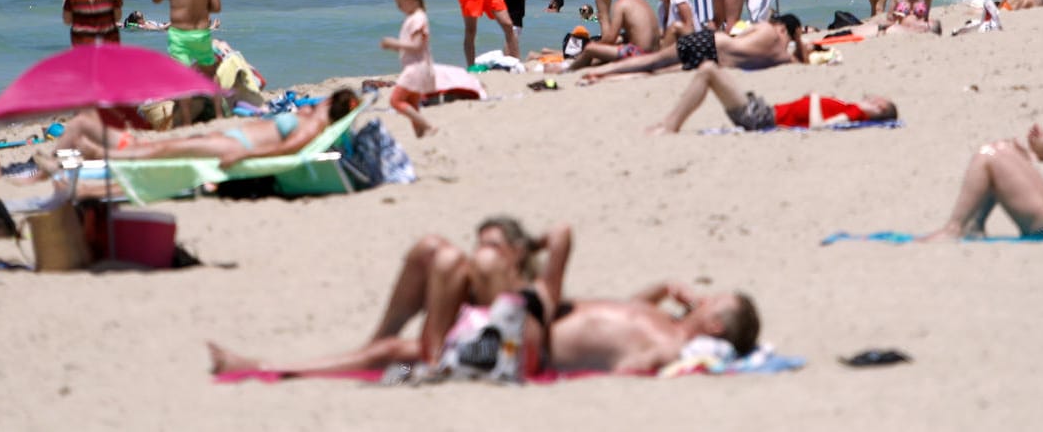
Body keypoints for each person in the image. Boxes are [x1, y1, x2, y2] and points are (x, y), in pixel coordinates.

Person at [207, 217, 572, 378]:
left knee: (448, 259)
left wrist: (527, 246)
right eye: (479, 243)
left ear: (518, 251)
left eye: (491, 244)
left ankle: (418, 366)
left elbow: (562, 233)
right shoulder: (474, 298)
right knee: (387, 358)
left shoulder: (539, 291)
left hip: (504, 357)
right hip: (455, 357)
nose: (481, 252)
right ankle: (260, 367)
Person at [548, 283, 761, 374]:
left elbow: (629, 365)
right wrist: (662, 290)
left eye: (712, 301)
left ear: (715, 326)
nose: (703, 298)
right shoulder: (669, 320)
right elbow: (629, 308)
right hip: (549, 311)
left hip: (544, 340)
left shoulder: (672, 345)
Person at [108, 89, 358, 164]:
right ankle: (119, 153)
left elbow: (290, 148)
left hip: (239, 144)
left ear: (332, 101)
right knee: (171, 146)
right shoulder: (311, 114)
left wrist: (244, 153)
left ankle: (117, 157)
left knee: (167, 149)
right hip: (234, 136)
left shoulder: (315, 125)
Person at [646, 63, 896, 134]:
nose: (873, 98)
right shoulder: (854, 109)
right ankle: (669, 123)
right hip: (764, 111)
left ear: (880, 106)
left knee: (708, 71)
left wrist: (817, 99)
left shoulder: (857, 113)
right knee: (711, 70)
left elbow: (821, 127)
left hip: (763, 118)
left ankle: (670, 125)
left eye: (878, 100)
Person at [578, 15, 812, 83]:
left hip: (711, 42)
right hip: (714, 62)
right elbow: (802, 63)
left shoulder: (764, 27)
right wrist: (799, 40)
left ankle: (603, 72)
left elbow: (736, 35)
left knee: (653, 61)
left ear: (780, 25)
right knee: (658, 73)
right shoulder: (782, 57)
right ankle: (605, 79)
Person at [154, 0, 235, 104]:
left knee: (182, 77)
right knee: (211, 74)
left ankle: (185, 120)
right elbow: (216, 7)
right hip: (201, 33)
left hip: (179, 34)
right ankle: (219, 114)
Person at [567, 0, 661, 69]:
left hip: (640, 55)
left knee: (590, 48)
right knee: (620, 40)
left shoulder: (621, 4)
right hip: (655, 53)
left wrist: (596, 45)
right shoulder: (642, 1)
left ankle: (568, 69)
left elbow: (610, 39)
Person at [382, 0, 439, 137]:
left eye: (400, 3)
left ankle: (428, 126)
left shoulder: (418, 19)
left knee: (395, 101)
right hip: (417, 67)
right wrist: (395, 47)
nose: (399, 7)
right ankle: (420, 134)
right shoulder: (415, 17)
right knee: (412, 105)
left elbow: (416, 45)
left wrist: (394, 42)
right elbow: (412, 47)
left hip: (416, 69)